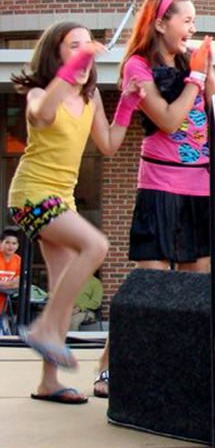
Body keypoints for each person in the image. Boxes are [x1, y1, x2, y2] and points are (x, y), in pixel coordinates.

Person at [93, 0, 215, 398]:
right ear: (162, 22)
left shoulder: (190, 62)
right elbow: (167, 121)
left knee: (193, 292)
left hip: (202, 187)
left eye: (194, 21)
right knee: (150, 289)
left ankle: (179, 373)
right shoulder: (137, 66)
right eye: (186, 20)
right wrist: (196, 77)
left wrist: (207, 72)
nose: (192, 27)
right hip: (162, 185)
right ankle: (110, 367)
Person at [8, 21, 133, 404]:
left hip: (62, 200)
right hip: (31, 194)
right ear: (56, 55)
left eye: (86, 46)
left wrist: (127, 103)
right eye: (72, 46)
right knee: (95, 246)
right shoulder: (40, 93)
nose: (83, 52)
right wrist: (71, 69)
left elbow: (110, 145)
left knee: (64, 287)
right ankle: (45, 329)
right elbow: (42, 115)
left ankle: (48, 381)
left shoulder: (91, 99)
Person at [0, 228, 22, 318]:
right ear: (1, 243)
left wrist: (4, 285)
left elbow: (19, 284)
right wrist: (10, 284)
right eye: (7, 242)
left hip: (4, 306)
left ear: (18, 245)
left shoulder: (19, 260)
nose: (11, 246)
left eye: (14, 243)